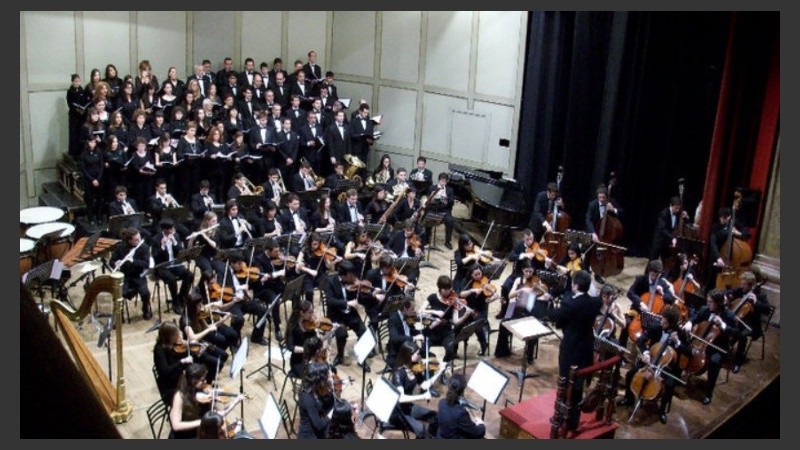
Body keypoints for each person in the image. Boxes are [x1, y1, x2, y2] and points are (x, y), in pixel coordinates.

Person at [548, 270, 602, 432]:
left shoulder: (570, 304)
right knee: (578, 387)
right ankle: (573, 423)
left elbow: (556, 318)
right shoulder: (595, 302)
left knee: (565, 385)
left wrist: (548, 302)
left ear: (576, 285)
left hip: (571, 350)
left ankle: (561, 419)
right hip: (586, 349)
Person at [617, 306, 690, 425]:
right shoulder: (656, 326)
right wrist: (646, 352)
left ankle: (661, 411)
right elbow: (640, 340)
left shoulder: (680, 333)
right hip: (650, 362)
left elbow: (689, 353)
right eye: (662, 319)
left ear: (671, 324)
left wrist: (678, 342)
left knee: (670, 384)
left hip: (667, 367)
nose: (661, 323)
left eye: (664, 322)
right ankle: (628, 398)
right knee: (630, 373)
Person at [680, 288, 737, 405]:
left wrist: (723, 325)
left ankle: (708, 393)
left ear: (718, 303)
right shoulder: (705, 309)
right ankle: (678, 376)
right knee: (682, 348)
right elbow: (695, 317)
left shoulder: (729, 315)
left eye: (710, 302)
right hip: (701, 342)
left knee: (714, 362)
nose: (708, 304)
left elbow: (736, 333)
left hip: (718, 346)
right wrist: (690, 322)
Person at [169, 363, 243, 439]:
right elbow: (176, 425)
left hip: (199, 431)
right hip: (185, 436)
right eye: (202, 380)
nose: (205, 381)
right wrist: (203, 422)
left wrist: (235, 402)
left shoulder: (198, 391)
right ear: (193, 380)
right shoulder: (179, 396)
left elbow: (218, 414)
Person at [388, 341, 439, 439]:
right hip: (397, 412)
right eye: (417, 354)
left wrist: (439, 372)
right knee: (421, 431)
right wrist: (423, 396)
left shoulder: (414, 367)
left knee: (434, 416)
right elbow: (401, 398)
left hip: (408, 407)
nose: (419, 356)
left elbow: (424, 385)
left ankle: (433, 438)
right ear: (409, 355)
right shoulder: (398, 373)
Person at [322, 260, 369, 368]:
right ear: (342, 275)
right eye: (350, 275)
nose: (353, 278)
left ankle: (362, 358)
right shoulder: (330, 281)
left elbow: (361, 298)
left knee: (363, 331)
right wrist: (347, 303)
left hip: (350, 313)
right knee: (341, 334)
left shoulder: (353, 282)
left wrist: (368, 293)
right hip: (337, 315)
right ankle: (340, 355)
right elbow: (330, 301)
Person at [725, 271, 771, 373]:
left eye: (744, 284)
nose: (741, 286)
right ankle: (725, 350)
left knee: (742, 336)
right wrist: (725, 296)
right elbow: (727, 292)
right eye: (741, 283)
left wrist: (756, 302)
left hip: (752, 325)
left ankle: (737, 362)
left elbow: (767, 310)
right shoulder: (741, 289)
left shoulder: (760, 295)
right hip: (739, 321)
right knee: (726, 326)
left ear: (751, 285)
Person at [624, 259, 676, 348]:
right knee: (627, 323)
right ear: (649, 272)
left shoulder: (662, 283)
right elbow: (630, 293)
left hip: (654, 316)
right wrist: (641, 303)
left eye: (657, 275)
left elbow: (671, 298)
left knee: (657, 331)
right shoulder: (641, 279)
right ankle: (622, 347)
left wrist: (662, 293)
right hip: (638, 312)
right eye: (652, 275)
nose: (654, 278)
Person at [151, 219, 193, 314]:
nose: (173, 230)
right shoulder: (156, 239)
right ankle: (175, 303)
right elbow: (156, 257)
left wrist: (175, 243)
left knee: (189, 275)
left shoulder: (176, 236)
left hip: (174, 264)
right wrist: (162, 246)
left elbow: (181, 252)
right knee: (172, 279)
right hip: (162, 267)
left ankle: (181, 297)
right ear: (165, 230)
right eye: (171, 229)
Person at [457, 263, 500, 356]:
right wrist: (472, 290)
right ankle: (454, 348)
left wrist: (493, 297)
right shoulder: (467, 281)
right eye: (475, 275)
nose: (478, 276)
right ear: (471, 275)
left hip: (480, 308)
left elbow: (487, 299)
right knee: (458, 324)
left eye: (479, 274)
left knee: (477, 324)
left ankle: (483, 344)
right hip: (467, 307)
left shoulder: (485, 280)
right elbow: (460, 294)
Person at [110, 227, 152, 319]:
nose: (139, 240)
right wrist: (115, 263)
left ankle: (145, 309)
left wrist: (133, 261)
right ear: (129, 241)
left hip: (138, 275)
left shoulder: (144, 247)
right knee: (119, 295)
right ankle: (119, 315)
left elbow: (146, 264)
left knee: (145, 293)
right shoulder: (120, 247)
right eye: (136, 240)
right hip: (125, 276)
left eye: (139, 238)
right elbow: (111, 261)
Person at [706, 206, 751, 289]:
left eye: (725, 218)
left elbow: (748, 233)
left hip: (732, 262)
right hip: (718, 256)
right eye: (721, 218)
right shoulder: (716, 227)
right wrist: (718, 257)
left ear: (729, 217)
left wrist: (739, 233)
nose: (722, 220)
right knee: (711, 280)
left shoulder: (735, 224)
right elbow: (713, 243)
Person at [153, 321, 194, 405]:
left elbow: (182, 356)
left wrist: (192, 349)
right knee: (195, 392)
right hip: (170, 387)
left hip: (178, 379)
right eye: (176, 334)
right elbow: (165, 371)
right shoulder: (159, 350)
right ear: (169, 336)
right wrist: (181, 362)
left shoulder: (171, 345)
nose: (178, 336)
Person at [436, 373, 485, 439]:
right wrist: (481, 424)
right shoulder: (461, 414)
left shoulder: (441, 402)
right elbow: (477, 433)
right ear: (462, 391)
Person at [297, 361, 335, 439]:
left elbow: (327, 404)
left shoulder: (315, 388)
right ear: (319, 379)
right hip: (309, 435)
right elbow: (319, 425)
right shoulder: (307, 398)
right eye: (327, 376)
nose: (329, 378)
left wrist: (334, 392)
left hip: (316, 428)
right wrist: (331, 414)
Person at [650, 196, 692, 262]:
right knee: (652, 261)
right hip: (659, 241)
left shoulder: (678, 214)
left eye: (678, 208)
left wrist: (686, 218)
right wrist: (672, 238)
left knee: (666, 262)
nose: (677, 210)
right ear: (670, 205)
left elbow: (686, 225)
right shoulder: (664, 213)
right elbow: (662, 229)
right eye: (676, 208)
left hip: (668, 243)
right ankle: (647, 273)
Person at [386, 298, 425, 370]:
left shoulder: (408, 316)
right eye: (412, 309)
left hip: (409, 349)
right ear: (405, 308)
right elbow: (395, 338)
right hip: (398, 356)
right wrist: (414, 338)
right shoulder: (393, 319)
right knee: (421, 366)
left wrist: (423, 332)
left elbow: (411, 331)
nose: (414, 311)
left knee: (430, 358)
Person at [425, 173, 455, 249]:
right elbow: (427, 200)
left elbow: (451, 203)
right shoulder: (432, 188)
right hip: (433, 208)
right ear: (439, 180)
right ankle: (427, 239)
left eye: (445, 181)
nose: (443, 183)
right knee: (428, 218)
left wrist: (446, 198)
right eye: (442, 181)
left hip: (444, 210)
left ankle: (447, 241)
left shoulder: (450, 190)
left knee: (450, 221)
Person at [80, 137, 104, 224]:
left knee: (100, 199)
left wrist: (98, 178)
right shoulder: (84, 154)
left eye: (94, 142)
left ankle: (99, 217)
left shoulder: (99, 152)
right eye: (91, 142)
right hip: (89, 180)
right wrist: (92, 180)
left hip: (99, 179)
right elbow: (83, 169)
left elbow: (101, 166)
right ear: (88, 142)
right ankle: (90, 218)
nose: (93, 144)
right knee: (90, 199)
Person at [67, 73, 90, 156]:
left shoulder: (82, 91)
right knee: (74, 134)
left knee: (81, 133)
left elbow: (86, 102)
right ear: (72, 82)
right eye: (76, 81)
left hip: (82, 116)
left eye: (79, 81)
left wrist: (84, 109)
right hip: (74, 116)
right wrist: (77, 110)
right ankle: (74, 152)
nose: (77, 83)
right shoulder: (70, 91)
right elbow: (70, 104)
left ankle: (81, 151)